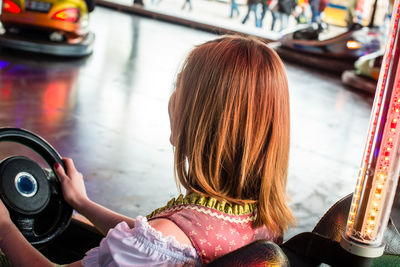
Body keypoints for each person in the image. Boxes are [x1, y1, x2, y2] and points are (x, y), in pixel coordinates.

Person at [0, 35, 295, 266]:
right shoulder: (263, 217)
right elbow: (151, 237)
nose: (172, 98)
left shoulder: (165, 241)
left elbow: (156, 241)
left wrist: (4, 228)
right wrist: (83, 203)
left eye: (180, 89)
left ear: (202, 120)